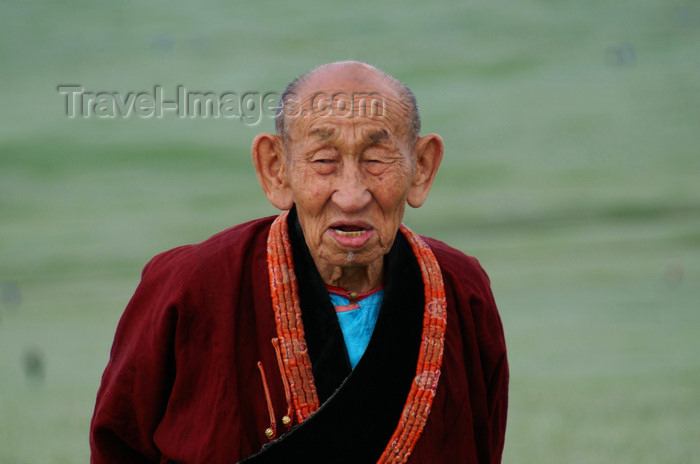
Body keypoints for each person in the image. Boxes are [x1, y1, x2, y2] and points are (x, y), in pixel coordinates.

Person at [90, 61, 508, 464]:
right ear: (276, 169)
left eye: (377, 160)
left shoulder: (462, 290)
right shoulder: (190, 287)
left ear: (421, 169)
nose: (351, 194)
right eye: (324, 160)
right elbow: (118, 447)